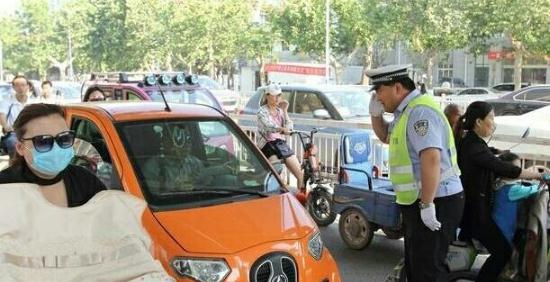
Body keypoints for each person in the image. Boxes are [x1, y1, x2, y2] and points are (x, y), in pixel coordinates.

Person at [367, 64, 464, 282]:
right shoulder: (405, 112)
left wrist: (427, 204)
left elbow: (431, 158)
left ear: (397, 87)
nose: (377, 96)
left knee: (428, 271)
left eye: (379, 90)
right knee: (417, 267)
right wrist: (375, 115)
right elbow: (386, 136)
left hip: (437, 201)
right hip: (420, 201)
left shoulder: (420, 112)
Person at [454, 101, 543, 281]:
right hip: (475, 213)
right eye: (491, 118)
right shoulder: (473, 147)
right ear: (479, 122)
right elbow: (502, 167)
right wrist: (536, 176)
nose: (493, 123)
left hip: (471, 207)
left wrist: (504, 151)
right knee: (502, 251)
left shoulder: (472, 141)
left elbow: (490, 153)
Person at [0, 103, 106, 207]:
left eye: (64, 138)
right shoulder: (4, 186)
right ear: (20, 148)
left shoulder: (86, 181)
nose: (56, 148)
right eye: (43, 141)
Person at [257, 84, 304, 195]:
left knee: (300, 173)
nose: (277, 98)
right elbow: (268, 126)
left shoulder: (280, 111)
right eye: (274, 95)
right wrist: (282, 129)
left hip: (280, 143)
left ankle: (301, 198)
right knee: (277, 173)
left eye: (279, 95)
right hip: (267, 144)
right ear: (267, 96)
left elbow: (290, 126)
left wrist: (285, 111)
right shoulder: (261, 112)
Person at [493, 152, 540, 244]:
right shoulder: (512, 190)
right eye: (517, 169)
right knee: (504, 254)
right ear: (507, 170)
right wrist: (543, 181)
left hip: (497, 225)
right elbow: (533, 190)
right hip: (504, 228)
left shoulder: (500, 182)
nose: (521, 172)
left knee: (500, 253)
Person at [0, 75, 35, 159]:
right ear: (13, 87)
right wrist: (6, 126)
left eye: (23, 85)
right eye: (17, 85)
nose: (20, 88)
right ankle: (14, 167)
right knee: (14, 143)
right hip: (13, 133)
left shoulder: (33, 102)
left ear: (28, 86)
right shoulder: (7, 100)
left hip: (31, 132)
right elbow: (2, 115)